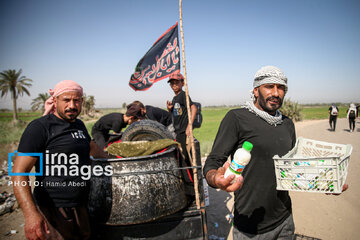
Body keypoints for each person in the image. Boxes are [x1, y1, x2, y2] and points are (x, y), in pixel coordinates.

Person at [12, 80, 108, 240]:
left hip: (81, 206)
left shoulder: (79, 125)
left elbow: (92, 149)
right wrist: (31, 215)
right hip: (53, 210)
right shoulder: (39, 128)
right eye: (66, 100)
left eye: (76, 100)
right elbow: (18, 172)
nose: (72, 105)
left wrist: (116, 158)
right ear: (55, 101)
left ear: (82, 101)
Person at [166, 72, 197, 197]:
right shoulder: (175, 98)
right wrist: (170, 109)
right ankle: (188, 185)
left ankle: (193, 187)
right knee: (182, 158)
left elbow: (194, 108)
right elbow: (178, 112)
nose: (174, 85)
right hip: (178, 132)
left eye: (176, 82)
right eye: (172, 83)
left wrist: (190, 125)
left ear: (182, 83)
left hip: (184, 132)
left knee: (187, 160)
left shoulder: (184, 95)